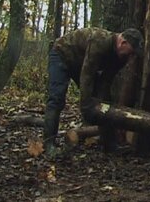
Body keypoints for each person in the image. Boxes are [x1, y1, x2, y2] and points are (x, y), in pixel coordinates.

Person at [43, 27, 143, 156]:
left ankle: (109, 145)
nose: (131, 57)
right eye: (130, 53)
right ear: (122, 43)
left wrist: (102, 103)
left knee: (106, 105)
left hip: (80, 62)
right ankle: (48, 144)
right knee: (56, 99)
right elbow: (87, 74)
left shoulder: (121, 57)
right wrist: (86, 107)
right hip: (62, 55)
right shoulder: (101, 41)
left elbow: (106, 81)